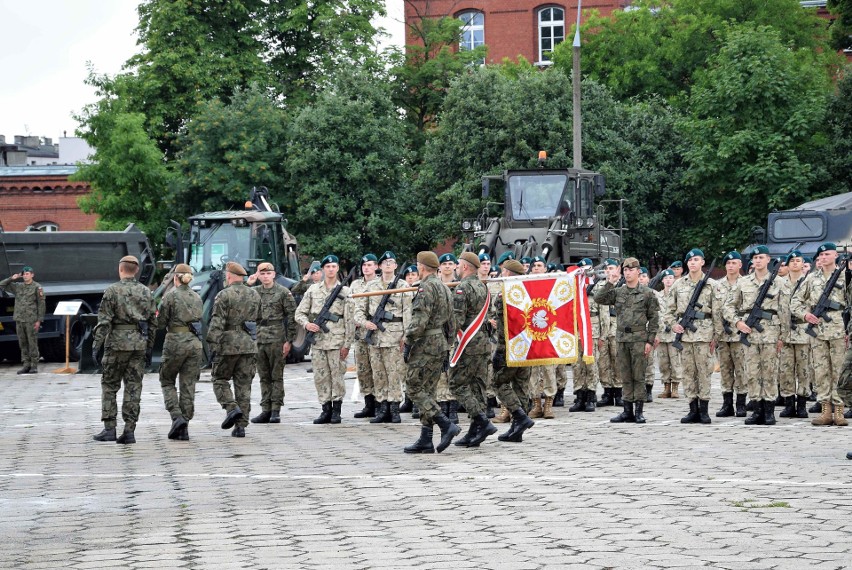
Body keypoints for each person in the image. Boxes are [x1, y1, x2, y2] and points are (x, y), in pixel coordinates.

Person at [91, 255, 157, 444]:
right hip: (138, 344)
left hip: (116, 344)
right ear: (136, 270)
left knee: (110, 385)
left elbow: (103, 322)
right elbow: (153, 322)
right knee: (133, 386)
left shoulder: (112, 291)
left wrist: (96, 346)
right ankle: (129, 430)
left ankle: (109, 428)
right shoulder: (146, 292)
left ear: (120, 269)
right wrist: (149, 347)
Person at [402, 251, 460, 453]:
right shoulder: (444, 288)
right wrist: (449, 345)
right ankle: (426, 439)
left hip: (426, 343)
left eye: (417, 265)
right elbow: (452, 322)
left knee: (414, 388)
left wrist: (408, 341)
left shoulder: (426, 288)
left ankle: (445, 424)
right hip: (441, 343)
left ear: (422, 267)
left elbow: (419, 321)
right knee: (428, 391)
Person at [724, 245, 785, 426]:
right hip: (749, 334)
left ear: (768, 259)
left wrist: (782, 336)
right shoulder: (743, 283)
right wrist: (738, 323)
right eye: (755, 258)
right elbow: (728, 306)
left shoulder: (779, 282)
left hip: (771, 333)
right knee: (752, 372)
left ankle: (769, 412)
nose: (758, 261)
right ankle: (757, 410)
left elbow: (784, 310)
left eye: (761, 257)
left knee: (769, 372)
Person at [594, 257, 659, 424]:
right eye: (625, 270)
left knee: (639, 375)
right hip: (622, 338)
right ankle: (627, 410)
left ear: (638, 271)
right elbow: (599, 298)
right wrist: (611, 282)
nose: (628, 273)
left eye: (631, 270)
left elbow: (653, 319)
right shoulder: (618, 292)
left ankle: (639, 411)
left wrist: (649, 341)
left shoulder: (647, 293)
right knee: (625, 375)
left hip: (639, 339)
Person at [791, 242, 849, 426]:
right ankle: (825, 410)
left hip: (840, 328)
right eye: (821, 256)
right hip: (817, 331)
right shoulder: (810, 278)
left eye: (827, 254)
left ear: (835, 256)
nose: (823, 258)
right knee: (821, 371)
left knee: (839, 371)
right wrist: (805, 315)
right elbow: (795, 301)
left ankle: (839, 410)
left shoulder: (844, 277)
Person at [295, 255, 354, 425]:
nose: (330, 269)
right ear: (322, 269)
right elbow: (299, 313)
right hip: (318, 342)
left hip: (337, 342)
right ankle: (325, 409)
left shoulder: (345, 292)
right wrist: (307, 325)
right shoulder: (313, 290)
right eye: (327, 266)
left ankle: (337, 411)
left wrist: (347, 344)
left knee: (337, 376)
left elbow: (349, 320)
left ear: (337, 269)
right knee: (321, 377)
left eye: (333, 266)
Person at [206, 262, 262, 438]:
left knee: (219, 379)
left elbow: (217, 322)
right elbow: (259, 318)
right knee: (244, 385)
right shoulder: (254, 294)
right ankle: (241, 426)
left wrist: (212, 344)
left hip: (228, 344)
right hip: (248, 344)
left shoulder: (223, 295)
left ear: (229, 276)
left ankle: (231, 407)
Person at [449, 252, 497, 448]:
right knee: (477, 387)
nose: (456, 268)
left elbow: (457, 321)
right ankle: (474, 431)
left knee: (457, 384)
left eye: (458, 265)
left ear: (466, 267)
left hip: (468, 345)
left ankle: (482, 422)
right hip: (483, 343)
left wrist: (447, 340)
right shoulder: (483, 287)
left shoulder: (462, 289)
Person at [356, 251, 410, 424]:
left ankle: (394, 409)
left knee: (394, 373)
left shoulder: (403, 285)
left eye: (391, 262)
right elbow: (358, 310)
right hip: (376, 337)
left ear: (395, 266)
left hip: (395, 335)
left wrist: (406, 336)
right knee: (379, 374)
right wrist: (365, 323)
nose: (388, 264)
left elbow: (408, 312)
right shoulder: (371, 287)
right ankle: (382, 408)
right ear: (379, 266)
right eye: (384, 262)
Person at [665, 249, 717, 424]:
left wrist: (715, 336)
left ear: (702, 262)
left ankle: (704, 410)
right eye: (690, 260)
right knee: (688, 373)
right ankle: (692, 409)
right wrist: (674, 324)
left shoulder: (711, 284)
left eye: (696, 259)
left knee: (704, 372)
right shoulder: (678, 285)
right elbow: (668, 310)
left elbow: (717, 312)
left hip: (704, 334)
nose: (693, 263)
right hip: (685, 336)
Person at [247, 262, 297, 424]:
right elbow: (237, 298)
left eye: (269, 273)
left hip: (277, 336)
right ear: (258, 275)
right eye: (263, 274)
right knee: (263, 376)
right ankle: (265, 410)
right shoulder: (254, 292)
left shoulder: (283, 293)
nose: (266, 276)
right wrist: (248, 283)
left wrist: (289, 340)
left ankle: (275, 410)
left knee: (276, 376)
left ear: (274, 275)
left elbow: (291, 317)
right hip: (260, 336)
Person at [157, 264, 203, 441]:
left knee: (167, 380)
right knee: (188, 384)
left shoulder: (170, 296)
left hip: (175, 343)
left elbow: (161, 323)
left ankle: (177, 417)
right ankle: (184, 428)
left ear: (176, 278)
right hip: (194, 343)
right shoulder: (197, 297)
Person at [491, 259, 536, 441]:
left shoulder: (507, 294)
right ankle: (517, 430)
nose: (502, 274)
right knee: (521, 386)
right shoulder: (530, 292)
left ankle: (519, 416)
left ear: (508, 274)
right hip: (528, 345)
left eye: (504, 271)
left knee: (498, 383)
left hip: (510, 346)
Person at [777, 251, 811, 419]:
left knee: (804, 370)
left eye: (798, 261)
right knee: (785, 370)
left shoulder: (809, 282)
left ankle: (802, 404)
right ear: (788, 264)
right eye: (792, 261)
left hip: (803, 331)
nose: (795, 263)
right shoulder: (779, 283)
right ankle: (789, 404)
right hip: (785, 333)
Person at [713, 251, 747, 417]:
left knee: (741, 370)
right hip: (722, 335)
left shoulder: (747, 283)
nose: (731, 266)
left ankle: (741, 404)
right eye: (728, 263)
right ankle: (727, 404)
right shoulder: (717, 285)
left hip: (740, 335)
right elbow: (714, 310)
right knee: (725, 371)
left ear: (740, 265)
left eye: (734, 263)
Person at [528, 256, 558, 419]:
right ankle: (536, 404)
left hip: (548, 334)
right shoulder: (526, 285)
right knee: (533, 371)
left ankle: (548, 404)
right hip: (531, 334)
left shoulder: (551, 285)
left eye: (540, 265)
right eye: (534, 266)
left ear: (545, 268)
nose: (537, 268)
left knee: (548, 369)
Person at [0, 265, 45, 374]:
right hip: (20, 319)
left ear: (32, 275)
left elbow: (41, 305)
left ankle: (34, 365)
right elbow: (2, 284)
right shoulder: (18, 287)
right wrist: (12, 278)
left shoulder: (37, 287)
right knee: (22, 343)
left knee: (32, 342)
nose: (25, 276)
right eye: (24, 274)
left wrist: (39, 320)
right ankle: (26, 364)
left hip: (31, 320)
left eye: (27, 274)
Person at [350, 254, 379, 419]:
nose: (366, 268)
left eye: (369, 265)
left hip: (376, 333)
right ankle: (369, 404)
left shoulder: (382, 284)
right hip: (360, 333)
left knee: (378, 369)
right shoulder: (355, 285)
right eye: (364, 265)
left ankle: (380, 404)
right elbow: (351, 306)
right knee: (363, 369)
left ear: (376, 267)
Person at [569, 258, 600, 413]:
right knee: (577, 365)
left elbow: (604, 313)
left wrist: (603, 335)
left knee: (591, 365)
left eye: (587, 268)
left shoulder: (597, 287)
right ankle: (579, 396)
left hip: (592, 331)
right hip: (575, 330)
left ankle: (591, 396)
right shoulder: (572, 287)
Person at [655, 269, 683, 400]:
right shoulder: (657, 296)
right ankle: (666, 387)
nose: (668, 280)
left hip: (674, 333)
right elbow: (655, 314)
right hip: (661, 333)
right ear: (662, 281)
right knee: (663, 362)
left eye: (671, 278)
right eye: (666, 278)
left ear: (674, 279)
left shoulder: (678, 294)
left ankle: (675, 387)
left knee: (675, 361)